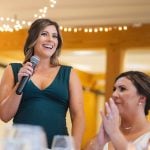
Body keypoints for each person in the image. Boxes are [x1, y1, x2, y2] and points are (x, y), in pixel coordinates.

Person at [0, 18, 85, 149]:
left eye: (54, 36)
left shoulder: (69, 74)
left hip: (57, 146)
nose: (50, 39)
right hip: (22, 146)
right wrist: (20, 83)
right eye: (44, 34)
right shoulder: (13, 70)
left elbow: (78, 115)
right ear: (33, 39)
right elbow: (4, 115)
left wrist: (75, 146)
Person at [85, 71, 150, 150]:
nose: (114, 94)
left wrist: (114, 134)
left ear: (141, 99)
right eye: (114, 89)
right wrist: (99, 144)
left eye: (122, 89)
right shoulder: (106, 134)